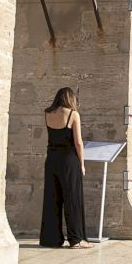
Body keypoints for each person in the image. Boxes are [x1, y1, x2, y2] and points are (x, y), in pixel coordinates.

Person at [41, 86, 91, 248]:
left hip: (51, 160)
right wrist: (82, 164)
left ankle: (51, 239)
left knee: (52, 200)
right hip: (69, 161)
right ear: (70, 99)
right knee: (72, 199)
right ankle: (76, 239)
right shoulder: (73, 114)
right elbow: (78, 142)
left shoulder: (48, 114)